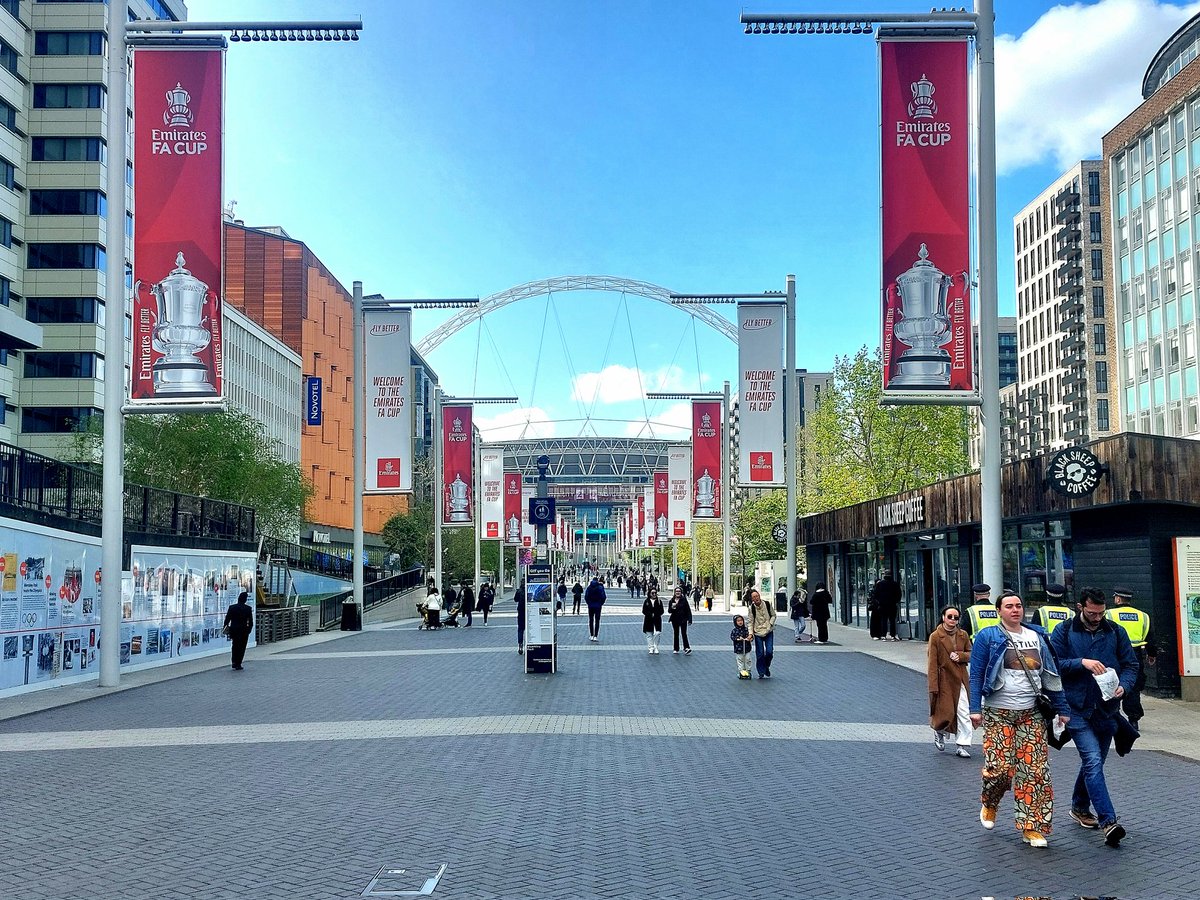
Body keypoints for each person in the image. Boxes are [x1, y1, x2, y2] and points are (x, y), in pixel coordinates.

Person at [969, 592, 1070, 848]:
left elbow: (1051, 675)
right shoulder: (988, 636)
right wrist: (974, 709)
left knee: (1035, 772)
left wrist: (1062, 708)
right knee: (1000, 769)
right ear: (999, 611)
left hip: (1031, 713)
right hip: (998, 712)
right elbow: (977, 674)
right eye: (1009, 606)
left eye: (1018, 606)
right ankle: (990, 802)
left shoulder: (1037, 636)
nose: (1015, 610)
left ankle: (1031, 827)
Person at [1050, 587, 1140, 847]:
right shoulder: (1064, 631)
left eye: (1101, 613)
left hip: (1106, 710)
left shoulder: (1116, 632)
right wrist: (1082, 662)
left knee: (1095, 763)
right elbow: (1054, 665)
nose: (1097, 618)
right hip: (1075, 708)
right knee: (1091, 759)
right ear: (1081, 607)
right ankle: (1109, 822)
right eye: (1092, 613)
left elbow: (1131, 665)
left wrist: (1124, 686)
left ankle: (1079, 807)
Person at [1106, 586, 1157, 726]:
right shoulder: (1143, 616)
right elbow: (1150, 638)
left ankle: (1113, 715)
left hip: (1114, 653)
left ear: (1118, 599)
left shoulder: (1108, 614)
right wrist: (1152, 654)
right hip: (1135, 654)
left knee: (1112, 684)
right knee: (1132, 687)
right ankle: (1133, 720)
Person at [927, 605, 973, 758]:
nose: (953, 620)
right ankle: (939, 731)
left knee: (964, 712)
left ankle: (962, 745)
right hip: (944, 679)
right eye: (950, 616)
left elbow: (971, 653)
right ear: (943, 617)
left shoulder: (963, 634)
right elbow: (932, 662)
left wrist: (961, 656)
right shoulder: (935, 636)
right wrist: (933, 685)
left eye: (956, 617)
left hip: (960, 679)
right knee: (946, 712)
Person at [747, 589, 776, 679]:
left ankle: (766, 666)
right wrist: (750, 633)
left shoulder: (767, 604)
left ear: (759, 596)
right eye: (754, 597)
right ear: (752, 599)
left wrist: (770, 623)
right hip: (758, 632)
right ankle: (761, 672)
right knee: (760, 654)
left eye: (757, 596)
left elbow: (773, 615)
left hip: (768, 631)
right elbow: (750, 622)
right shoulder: (751, 608)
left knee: (769, 652)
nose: (756, 598)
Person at [223, 590, 254, 671]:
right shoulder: (248, 609)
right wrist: (249, 630)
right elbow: (250, 621)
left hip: (234, 629)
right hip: (244, 630)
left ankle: (234, 661)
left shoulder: (232, 607)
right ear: (245, 599)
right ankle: (238, 663)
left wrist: (225, 627)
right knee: (242, 647)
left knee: (235, 645)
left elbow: (227, 619)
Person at [870, 572, 901, 641]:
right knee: (892, 621)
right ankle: (893, 635)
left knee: (884, 620)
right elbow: (899, 594)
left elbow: (876, 594)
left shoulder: (880, 584)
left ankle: (883, 635)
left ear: (884, 576)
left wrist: (879, 602)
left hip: (883, 605)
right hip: (892, 605)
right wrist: (895, 601)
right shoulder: (895, 584)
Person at [667, 585, 692, 655]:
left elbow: (688, 610)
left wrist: (690, 619)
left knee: (684, 634)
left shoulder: (684, 600)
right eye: (676, 591)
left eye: (679, 591)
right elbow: (669, 611)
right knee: (676, 633)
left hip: (683, 619)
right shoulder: (671, 600)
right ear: (674, 592)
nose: (678, 592)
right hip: (675, 619)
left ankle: (686, 648)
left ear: (681, 592)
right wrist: (672, 608)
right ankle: (676, 648)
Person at [642, 587, 664, 655]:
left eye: (655, 593)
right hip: (648, 620)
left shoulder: (659, 601)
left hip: (657, 619)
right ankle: (651, 648)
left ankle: (656, 646)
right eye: (652, 593)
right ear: (649, 594)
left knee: (657, 633)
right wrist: (650, 614)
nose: (654, 594)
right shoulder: (646, 601)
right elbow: (644, 611)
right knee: (649, 634)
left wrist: (656, 614)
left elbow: (662, 611)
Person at [584, 575, 606, 643]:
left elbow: (586, 596)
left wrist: (589, 603)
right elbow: (603, 597)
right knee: (597, 621)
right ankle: (595, 636)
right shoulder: (600, 588)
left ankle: (591, 635)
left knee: (591, 620)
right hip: (598, 606)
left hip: (590, 606)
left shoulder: (589, 587)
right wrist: (600, 603)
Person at [731, 614, 753, 679]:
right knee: (740, 660)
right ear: (735, 622)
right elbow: (732, 637)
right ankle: (741, 671)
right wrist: (737, 638)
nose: (740, 622)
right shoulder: (734, 630)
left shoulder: (746, 629)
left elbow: (750, 636)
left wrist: (749, 638)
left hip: (747, 648)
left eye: (741, 620)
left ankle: (748, 671)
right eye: (738, 621)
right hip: (739, 649)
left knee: (748, 659)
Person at [514, 584, 526, 654]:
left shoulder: (519, 591)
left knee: (520, 629)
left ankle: (520, 644)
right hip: (529, 611)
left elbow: (515, 599)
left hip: (521, 611)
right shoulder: (529, 589)